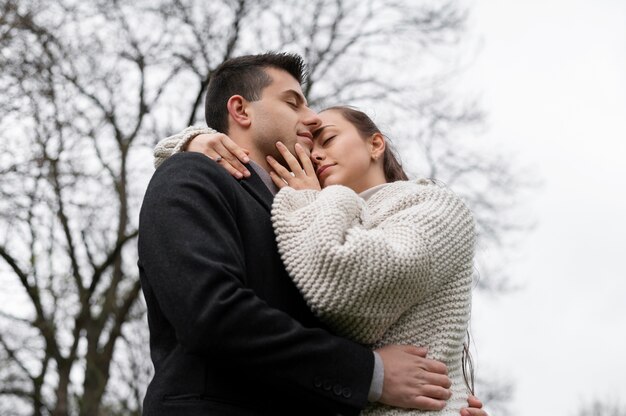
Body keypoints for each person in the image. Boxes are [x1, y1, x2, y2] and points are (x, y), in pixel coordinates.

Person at [140, 52, 486, 416]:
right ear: (241, 111)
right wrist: (373, 374)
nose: (309, 119)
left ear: (376, 145)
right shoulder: (193, 173)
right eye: (293, 102)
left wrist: (451, 401)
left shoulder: (304, 210)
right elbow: (211, 313)